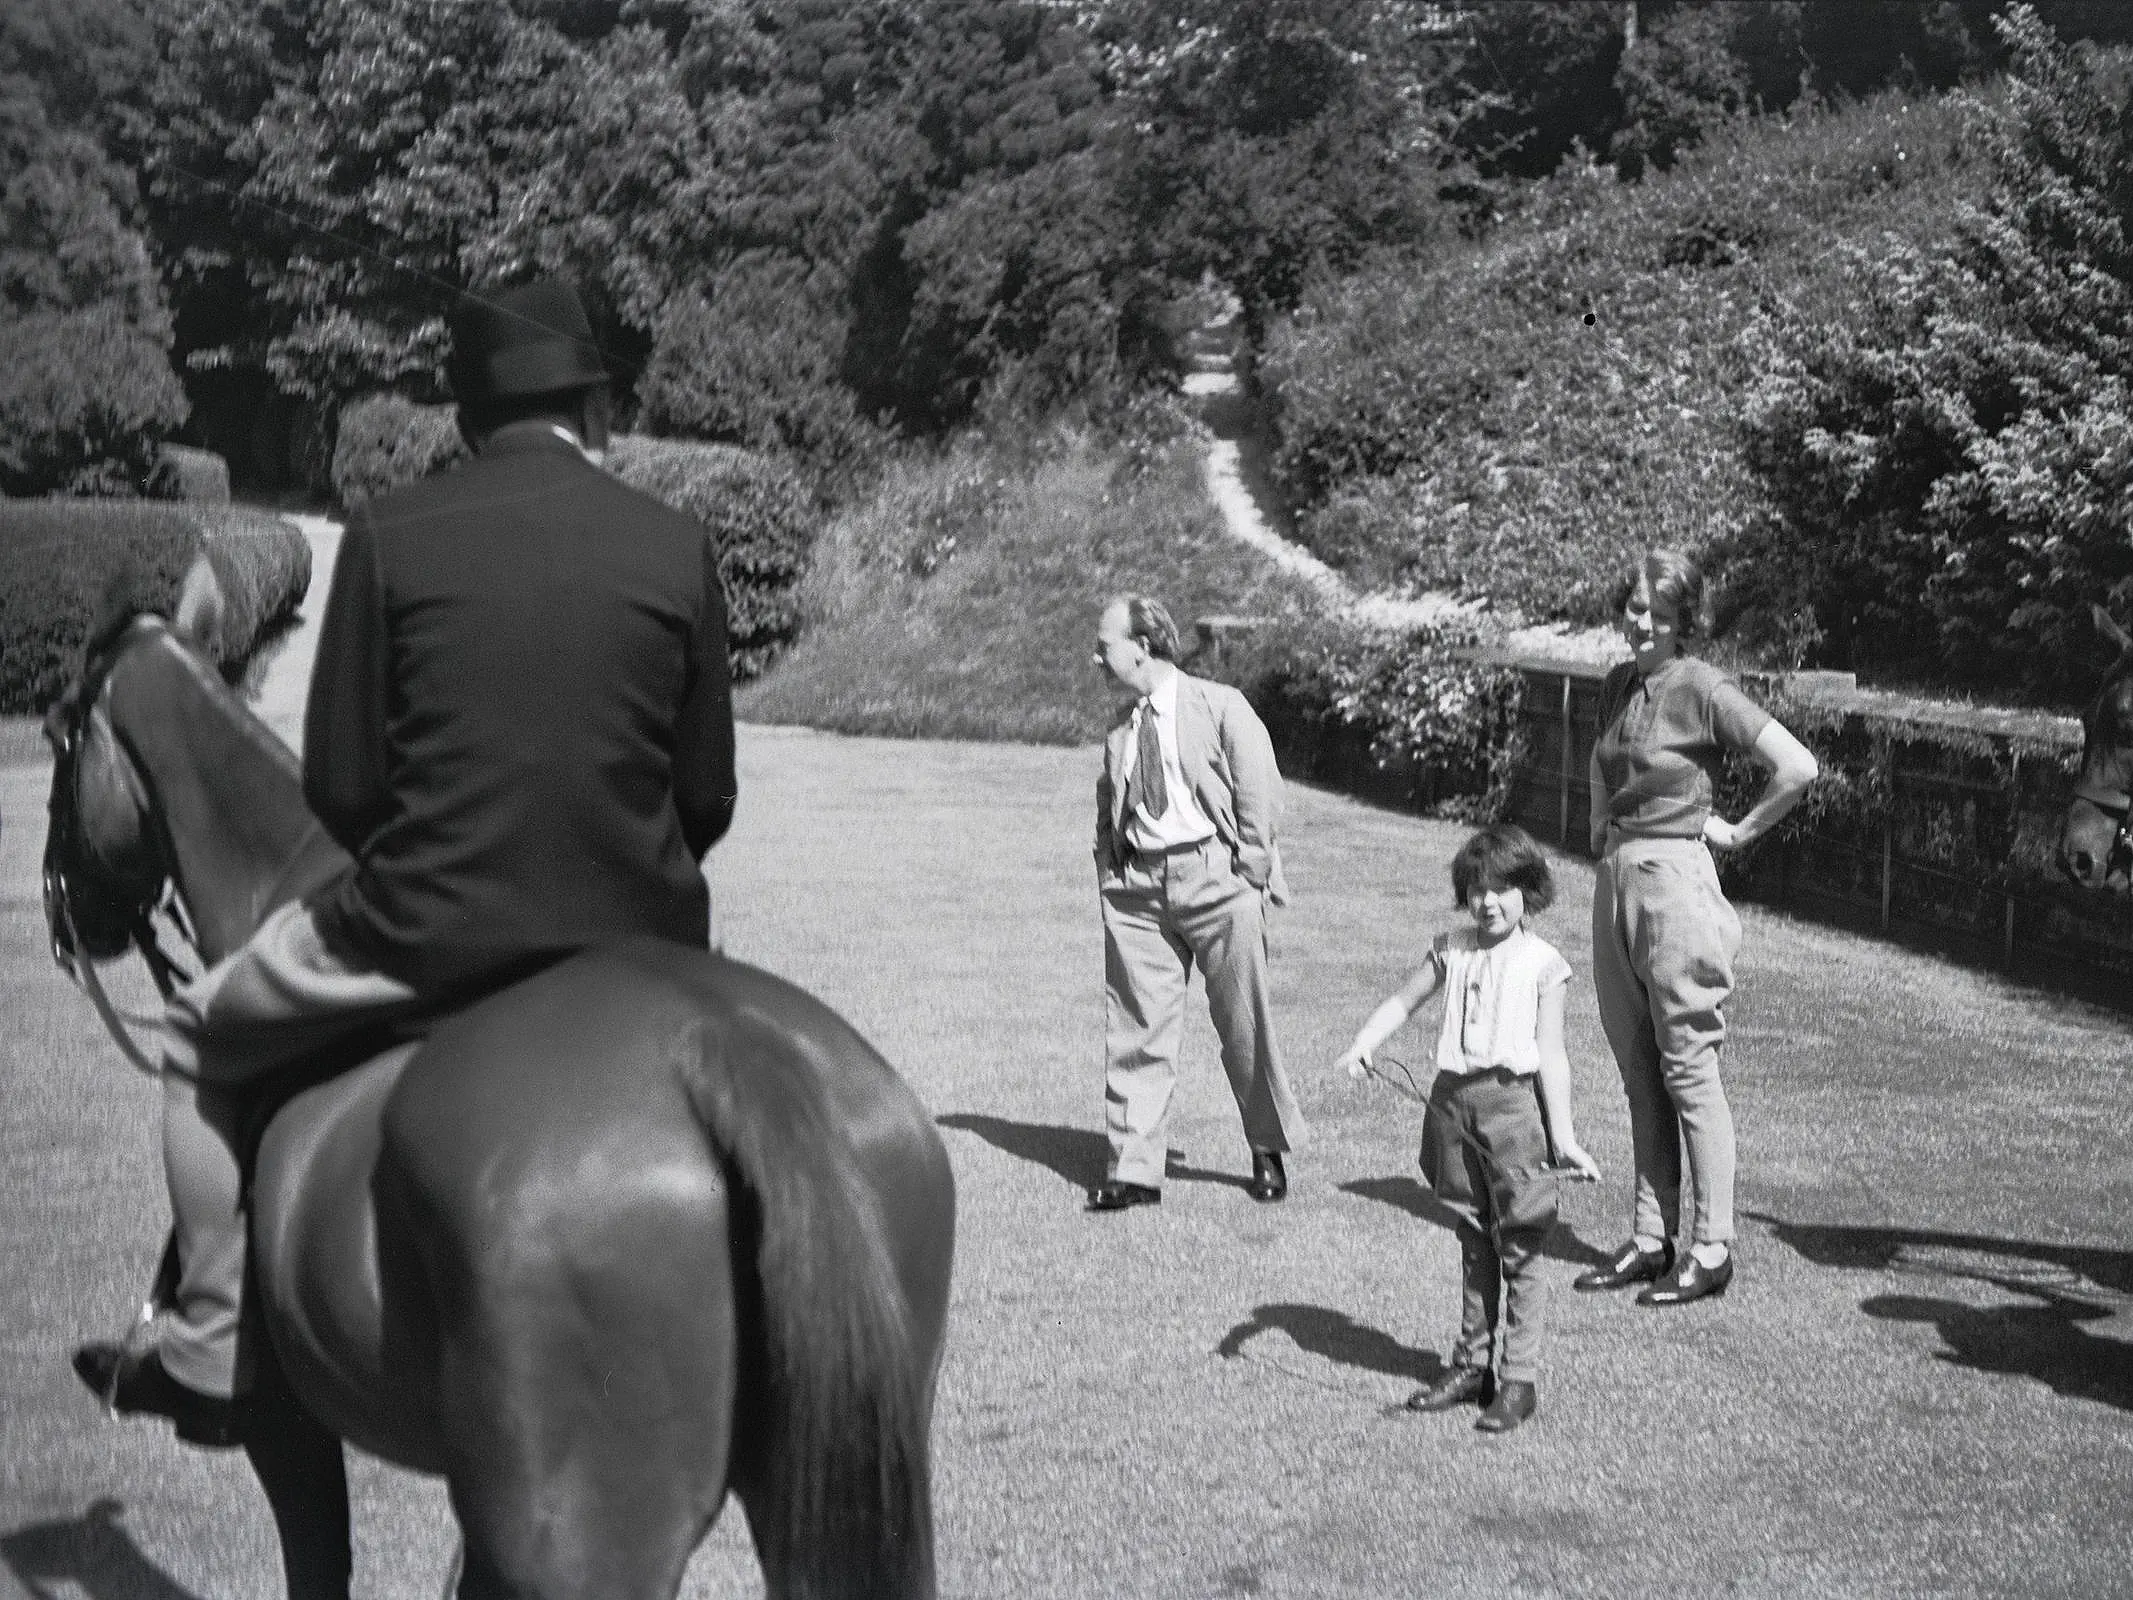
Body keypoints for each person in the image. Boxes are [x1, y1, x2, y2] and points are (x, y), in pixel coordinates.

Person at [73, 277, 739, 1445]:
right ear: (594, 406)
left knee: (198, 1036)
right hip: (641, 949)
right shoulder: (677, 542)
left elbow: (342, 789)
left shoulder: (392, 532)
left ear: (467, 419)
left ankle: (210, 1336)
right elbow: (707, 796)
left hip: (429, 930)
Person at [1576, 547, 1816, 1307]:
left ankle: (1710, 1247)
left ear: (1683, 619)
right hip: (1615, 881)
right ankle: (1651, 1238)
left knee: (1687, 1069)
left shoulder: (1703, 685)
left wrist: (1740, 831)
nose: (1637, 620)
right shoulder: (1620, 684)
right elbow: (1600, 762)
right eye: (1631, 606)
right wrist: (1595, 827)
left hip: (1673, 886)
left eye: (1654, 610)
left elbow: (1797, 766)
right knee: (1637, 1070)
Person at [1335, 824, 1600, 1433]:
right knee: (1473, 1234)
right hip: (1452, 1104)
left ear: (1529, 891)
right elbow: (1403, 1001)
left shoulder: (1544, 964)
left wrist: (1562, 1137)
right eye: (1477, 889)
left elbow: (1552, 1055)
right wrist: (1366, 1042)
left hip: (1513, 1111)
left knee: (1522, 1244)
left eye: (1504, 888)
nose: (1489, 902)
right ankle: (1470, 1365)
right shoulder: (1450, 949)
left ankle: (1518, 1378)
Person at [1087, 594, 1305, 1211]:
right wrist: (1109, 871)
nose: (1095, 658)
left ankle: (1266, 1148)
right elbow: (1109, 805)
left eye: (1104, 646)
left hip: (1216, 879)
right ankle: (1134, 1171)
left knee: (1244, 1024)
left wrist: (1252, 867)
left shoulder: (1219, 705)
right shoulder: (1118, 730)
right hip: (1138, 895)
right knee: (1136, 1029)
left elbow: (1260, 785)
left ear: (1142, 647)